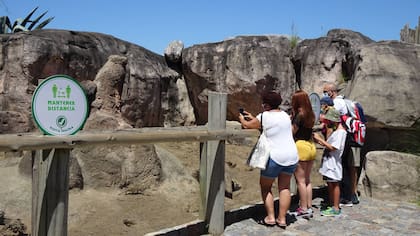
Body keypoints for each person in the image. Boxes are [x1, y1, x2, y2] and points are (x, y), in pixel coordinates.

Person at [239, 91, 298, 228]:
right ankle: (282, 218)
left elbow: (248, 126)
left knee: (265, 186)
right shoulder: (285, 115)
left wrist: (242, 119)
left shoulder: (264, 116)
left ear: (266, 104)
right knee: (285, 187)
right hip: (291, 155)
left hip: (275, 156)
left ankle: (271, 216)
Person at [323, 82, 361, 206]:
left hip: (340, 137)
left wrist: (326, 140)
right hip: (346, 137)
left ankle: (345, 196)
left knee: (340, 167)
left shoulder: (337, 103)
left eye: (325, 91)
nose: (324, 93)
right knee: (344, 166)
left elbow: (331, 121)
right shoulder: (344, 102)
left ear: (332, 92)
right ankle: (348, 195)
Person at [313, 108, 347, 216]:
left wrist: (321, 140)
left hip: (334, 163)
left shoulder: (340, 132)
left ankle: (335, 207)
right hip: (329, 162)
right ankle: (332, 204)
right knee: (330, 184)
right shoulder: (336, 131)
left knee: (334, 184)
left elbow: (333, 147)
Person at [290, 90, 316, 218]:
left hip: (300, 146)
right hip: (310, 146)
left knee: (300, 180)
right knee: (307, 180)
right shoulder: (311, 114)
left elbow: (292, 131)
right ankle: (309, 206)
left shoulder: (299, 115)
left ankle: (303, 208)